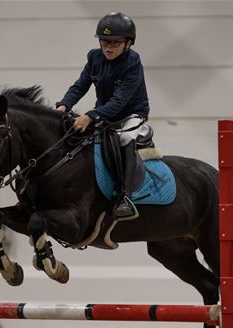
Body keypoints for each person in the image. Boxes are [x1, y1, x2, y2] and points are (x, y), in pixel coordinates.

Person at [56, 11, 152, 220]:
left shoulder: (133, 62)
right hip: (105, 114)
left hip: (131, 114)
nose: (108, 47)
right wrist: (64, 105)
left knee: (124, 138)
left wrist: (90, 116)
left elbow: (119, 101)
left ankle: (125, 196)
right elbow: (80, 86)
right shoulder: (94, 57)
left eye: (115, 43)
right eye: (104, 42)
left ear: (128, 43)